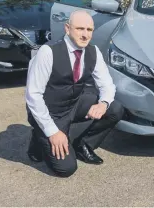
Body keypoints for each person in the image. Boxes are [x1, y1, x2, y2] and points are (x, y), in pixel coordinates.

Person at [25, 10, 124, 178]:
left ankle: (83, 145)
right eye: (80, 29)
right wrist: (52, 132)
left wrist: (103, 103)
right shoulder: (48, 52)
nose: (85, 35)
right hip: (51, 112)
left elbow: (107, 85)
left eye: (89, 30)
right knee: (66, 168)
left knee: (115, 109)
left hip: (74, 103)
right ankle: (38, 139)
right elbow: (33, 95)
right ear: (67, 28)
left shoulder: (93, 52)